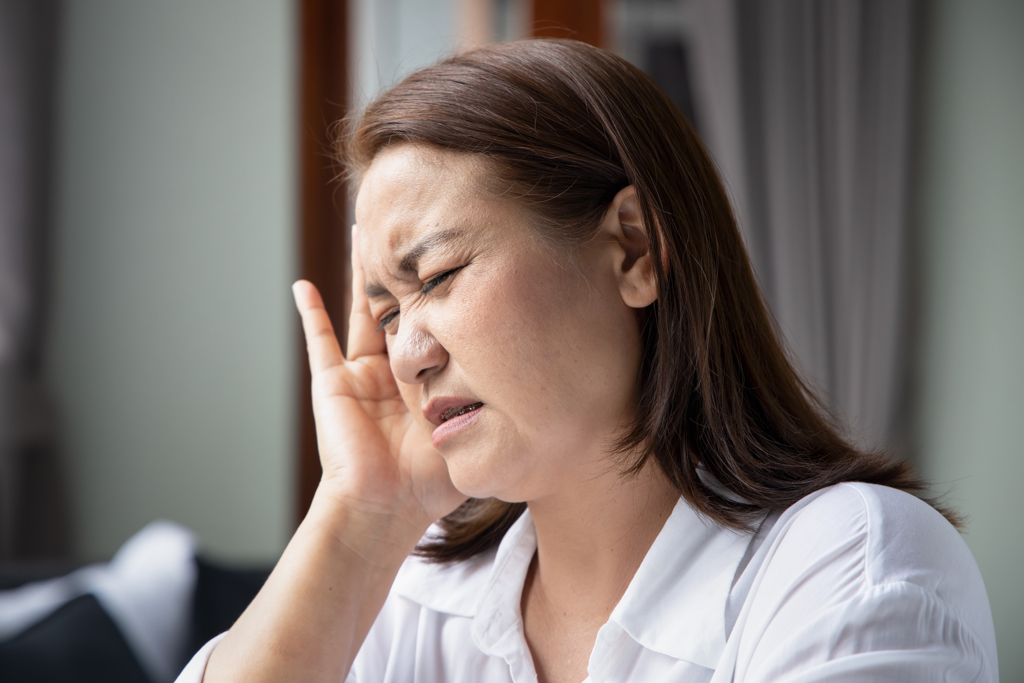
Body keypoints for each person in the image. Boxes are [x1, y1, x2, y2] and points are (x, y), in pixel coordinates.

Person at [178, 39, 997, 683]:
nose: (408, 354)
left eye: (436, 277)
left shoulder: (851, 564)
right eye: (386, 311)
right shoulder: (416, 599)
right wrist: (361, 517)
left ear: (632, 247)